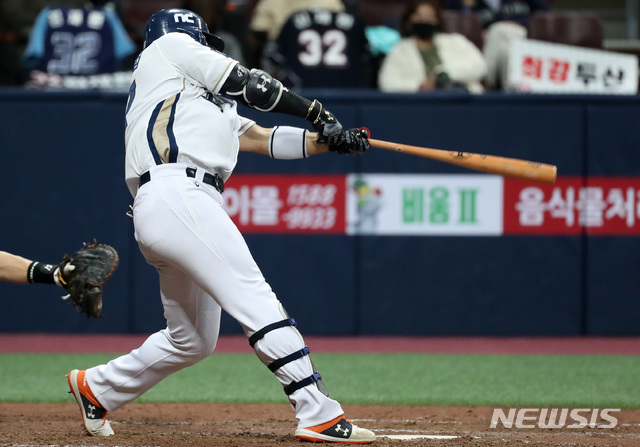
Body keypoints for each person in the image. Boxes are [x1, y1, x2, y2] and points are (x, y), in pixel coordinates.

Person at [65, 7, 375, 445]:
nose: (207, 51)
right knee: (255, 297)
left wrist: (329, 142)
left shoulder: (195, 97)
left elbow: (263, 138)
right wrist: (316, 111)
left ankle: (97, 387)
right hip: (178, 193)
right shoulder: (168, 48)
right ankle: (317, 413)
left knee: (190, 339)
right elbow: (252, 84)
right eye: (204, 43)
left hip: (174, 205)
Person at [378, 0, 487, 94]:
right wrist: (420, 86)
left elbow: (480, 66)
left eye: (429, 17)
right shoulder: (400, 50)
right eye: (419, 17)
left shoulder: (456, 41)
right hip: (422, 105)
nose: (424, 21)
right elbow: (387, 83)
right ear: (409, 20)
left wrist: (445, 75)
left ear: (437, 20)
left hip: (463, 99)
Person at [22, 1, 136, 87]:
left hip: (53, 84)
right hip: (98, 85)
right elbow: (125, 52)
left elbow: (33, 55)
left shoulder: (47, 13)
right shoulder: (107, 15)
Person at [444, 0, 550, 89]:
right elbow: (451, 20)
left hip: (521, 37)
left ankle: (485, 81)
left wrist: (520, 24)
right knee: (504, 47)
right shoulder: (470, 3)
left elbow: (545, 16)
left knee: (501, 31)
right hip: (488, 42)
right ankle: (513, 88)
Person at [263, 7, 370, 89]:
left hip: (302, 95)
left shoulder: (294, 19)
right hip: (347, 95)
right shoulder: (354, 20)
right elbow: (368, 58)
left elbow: (273, 59)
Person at [247, 0, 345, 68]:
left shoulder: (331, 2)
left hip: (327, 61)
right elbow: (257, 35)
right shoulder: (271, 2)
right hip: (285, 61)